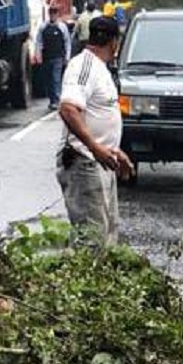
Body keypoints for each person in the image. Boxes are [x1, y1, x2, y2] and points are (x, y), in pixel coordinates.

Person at [57, 15, 133, 244]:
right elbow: (68, 109)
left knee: (107, 234)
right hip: (84, 162)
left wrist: (112, 151)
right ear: (114, 42)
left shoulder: (101, 69)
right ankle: (78, 278)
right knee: (91, 239)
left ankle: (95, 277)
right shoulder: (84, 66)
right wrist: (95, 147)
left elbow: (95, 115)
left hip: (100, 160)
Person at [40, 11, 71, 110]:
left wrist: (67, 57)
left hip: (58, 57)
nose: (53, 16)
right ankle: (52, 100)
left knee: (55, 78)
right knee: (48, 79)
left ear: (57, 15)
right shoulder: (43, 27)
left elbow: (67, 42)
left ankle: (57, 100)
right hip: (47, 57)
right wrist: (38, 53)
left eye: (54, 14)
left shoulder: (62, 27)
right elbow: (39, 41)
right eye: (51, 14)